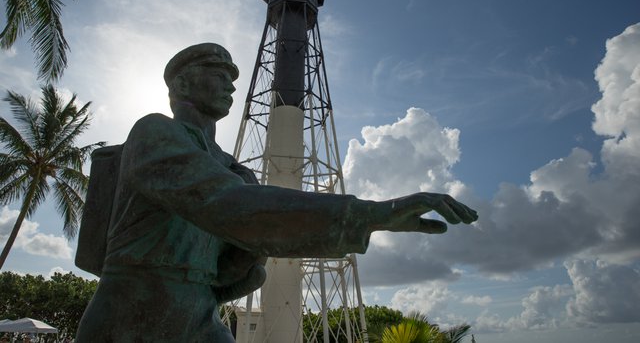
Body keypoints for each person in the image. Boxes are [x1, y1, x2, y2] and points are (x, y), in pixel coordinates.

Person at [75, 43, 478, 342]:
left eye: (234, 78)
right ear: (181, 81)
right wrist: (374, 214)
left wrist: (238, 271)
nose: (230, 84)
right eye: (217, 74)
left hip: (199, 313)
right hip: (133, 312)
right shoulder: (155, 132)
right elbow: (228, 207)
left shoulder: (235, 170)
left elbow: (243, 250)